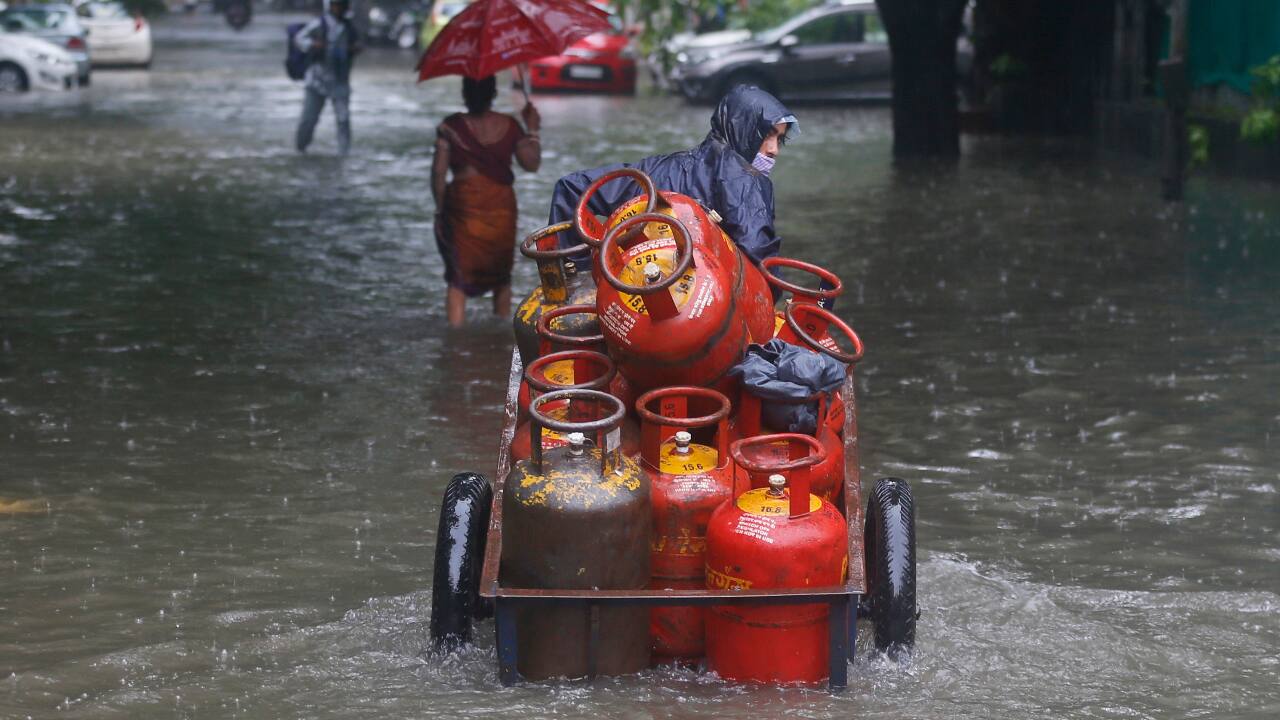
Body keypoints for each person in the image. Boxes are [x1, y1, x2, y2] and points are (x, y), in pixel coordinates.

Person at [547, 84, 796, 263]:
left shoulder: (657, 170)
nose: (774, 150)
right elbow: (763, 266)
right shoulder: (748, 185)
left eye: (779, 139)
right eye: (767, 134)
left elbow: (572, 188)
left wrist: (579, 270)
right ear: (744, 131)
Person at [432, 76, 542, 327]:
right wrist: (532, 128)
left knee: (458, 277)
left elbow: (438, 173)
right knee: (501, 276)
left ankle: (454, 340)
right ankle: (500, 336)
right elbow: (532, 164)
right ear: (493, 93)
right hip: (501, 208)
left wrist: (440, 209)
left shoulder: (450, 127)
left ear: (465, 93)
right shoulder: (511, 126)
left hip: (463, 209)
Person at [295, 0, 361, 155]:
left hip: (340, 80)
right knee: (309, 119)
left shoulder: (349, 27)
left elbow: (358, 43)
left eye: (341, 5)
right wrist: (312, 45)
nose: (338, 8)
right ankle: (300, 148)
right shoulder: (319, 24)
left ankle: (344, 152)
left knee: (343, 119)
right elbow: (299, 39)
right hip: (316, 80)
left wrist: (355, 49)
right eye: (335, 5)